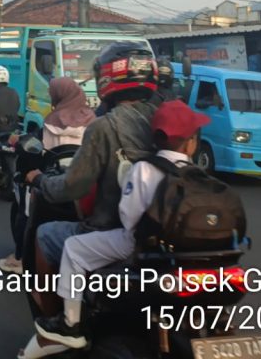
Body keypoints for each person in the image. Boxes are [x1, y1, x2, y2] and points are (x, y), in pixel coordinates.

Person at [32, 100, 210, 349]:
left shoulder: (143, 169)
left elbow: (128, 216)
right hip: (183, 251)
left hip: (137, 246)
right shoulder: (196, 173)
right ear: (191, 143)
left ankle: (70, 323)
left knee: (73, 249)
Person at [26, 41, 160, 297]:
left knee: (45, 234)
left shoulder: (103, 126)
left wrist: (41, 181)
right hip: (164, 231)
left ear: (107, 78)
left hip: (114, 227)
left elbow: (72, 185)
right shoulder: (164, 119)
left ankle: (57, 317)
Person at [0, 76, 95, 275]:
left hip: (51, 181)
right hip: (86, 185)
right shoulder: (93, 121)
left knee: (25, 204)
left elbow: (35, 149)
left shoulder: (52, 122)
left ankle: (21, 257)